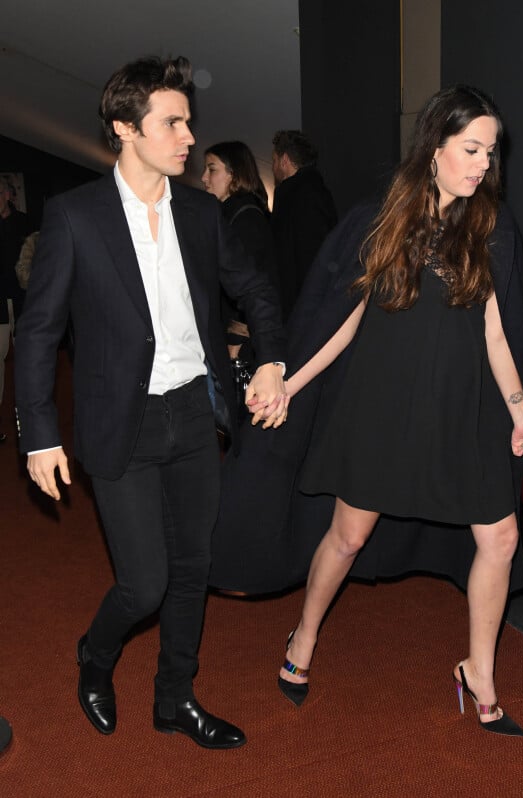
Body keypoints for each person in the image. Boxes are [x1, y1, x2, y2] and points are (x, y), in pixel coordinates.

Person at [14, 55, 288, 751]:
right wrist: (39, 434)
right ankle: (96, 655)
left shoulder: (201, 212)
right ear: (124, 129)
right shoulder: (74, 217)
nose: (188, 137)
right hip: (121, 422)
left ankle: (176, 699)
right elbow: (40, 332)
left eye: (189, 123)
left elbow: (254, 287)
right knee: (143, 584)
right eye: (172, 123)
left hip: (195, 414)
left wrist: (274, 358)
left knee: (194, 571)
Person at [272, 85, 523, 736]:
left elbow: (496, 335)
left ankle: (478, 671)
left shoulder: (490, 226)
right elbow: (344, 318)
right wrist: (291, 382)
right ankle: (303, 635)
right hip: (385, 406)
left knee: (501, 538)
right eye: (472, 149)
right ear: (435, 147)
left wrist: (522, 414)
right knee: (349, 536)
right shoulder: (385, 217)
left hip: (465, 408)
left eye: (491, 152)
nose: (483, 164)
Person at [201, 141, 278, 363]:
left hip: (241, 344)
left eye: (212, 169)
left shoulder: (246, 219)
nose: (204, 177)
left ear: (234, 175)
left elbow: (253, 283)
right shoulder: (231, 216)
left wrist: (235, 340)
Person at [271, 130, 337, 319]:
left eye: (274, 160)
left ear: (284, 160)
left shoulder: (296, 195)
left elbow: (302, 257)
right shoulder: (316, 190)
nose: (273, 167)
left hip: (301, 307)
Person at [0, 175, 30, 442]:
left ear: (9, 194)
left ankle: (28, 421)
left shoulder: (24, 222)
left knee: (28, 361)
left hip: (23, 302)